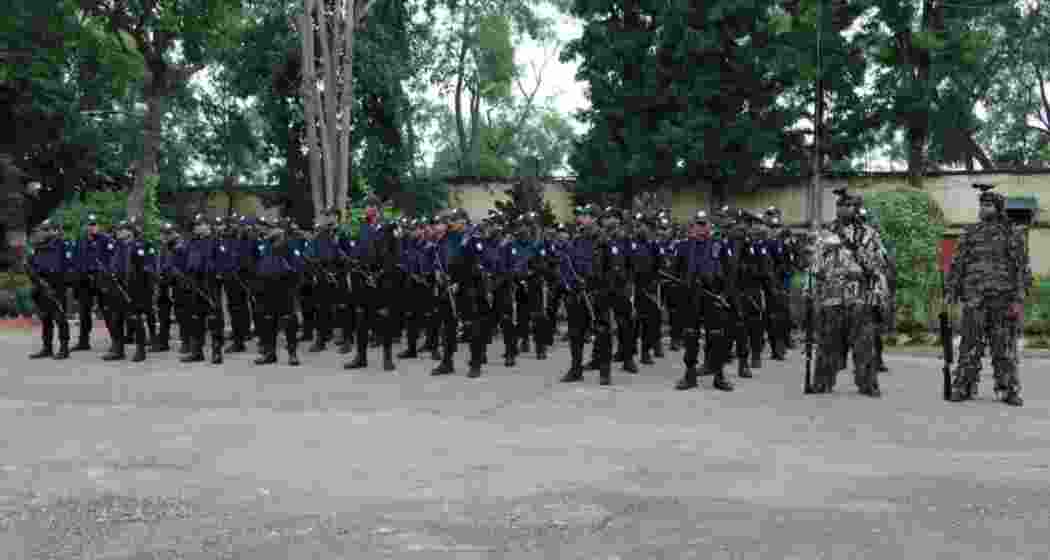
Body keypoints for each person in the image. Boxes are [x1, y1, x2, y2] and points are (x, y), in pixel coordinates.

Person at [944, 183, 1028, 406]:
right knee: (969, 345)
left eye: (988, 204)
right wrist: (951, 290)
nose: (983, 208)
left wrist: (1019, 298)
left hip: (1003, 299)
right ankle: (963, 386)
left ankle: (1008, 389)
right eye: (982, 204)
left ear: (999, 208)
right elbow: (957, 264)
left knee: (1004, 348)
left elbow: (1021, 269)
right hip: (975, 299)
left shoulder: (1012, 234)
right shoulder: (970, 233)